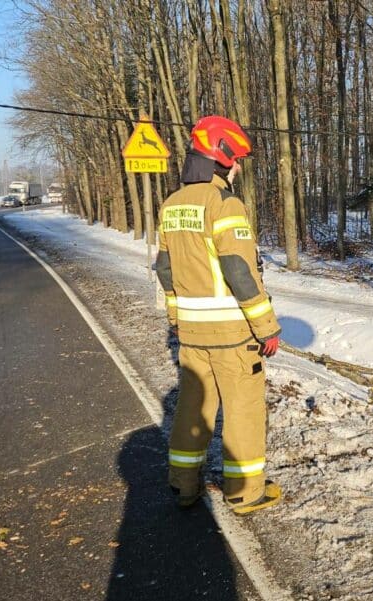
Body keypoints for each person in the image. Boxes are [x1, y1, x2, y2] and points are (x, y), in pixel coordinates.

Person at [155, 115, 282, 515]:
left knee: (193, 408)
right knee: (243, 410)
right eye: (237, 160)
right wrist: (267, 327)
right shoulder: (224, 204)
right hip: (232, 334)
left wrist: (177, 318)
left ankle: (183, 486)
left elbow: (164, 269)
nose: (239, 168)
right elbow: (239, 272)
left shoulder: (172, 205)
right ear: (221, 157)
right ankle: (245, 494)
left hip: (192, 334)